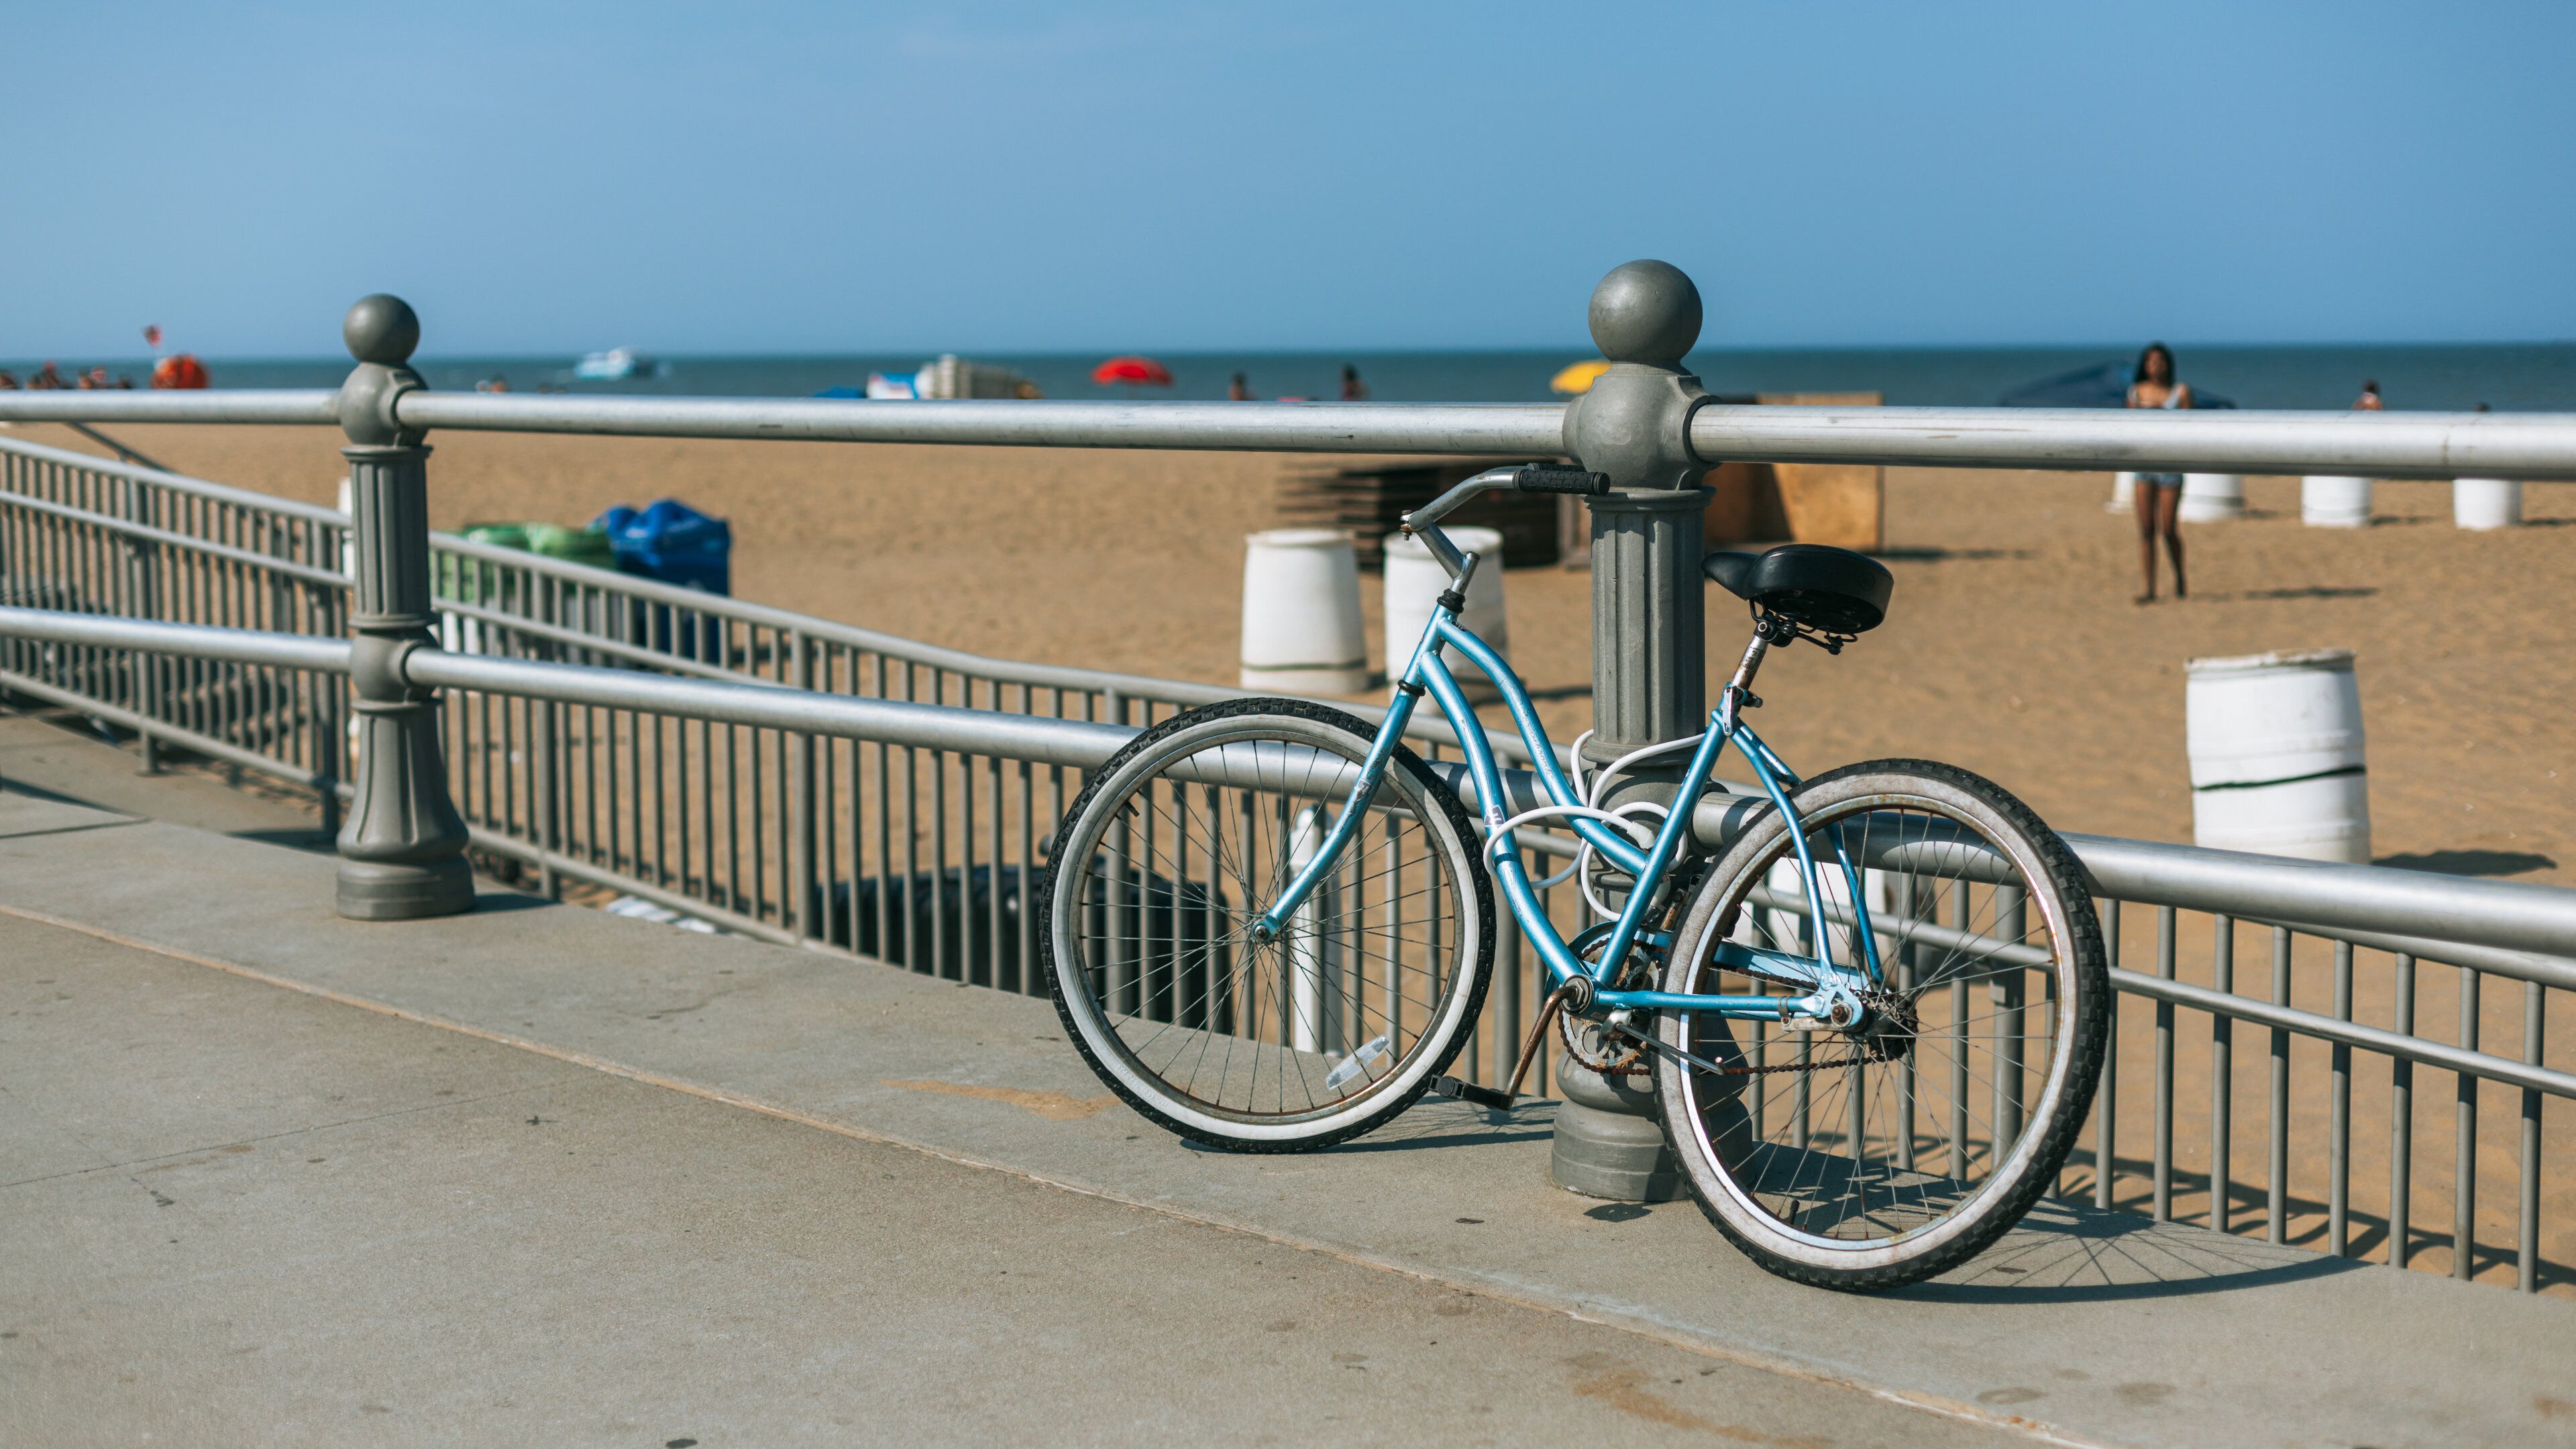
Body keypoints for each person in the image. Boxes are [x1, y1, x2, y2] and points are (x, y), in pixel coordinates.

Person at [2125, 342, 2191, 603]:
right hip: (2144, 465)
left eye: (2161, 361)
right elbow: (2128, 428)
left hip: (2171, 464)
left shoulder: (2180, 392)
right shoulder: (2136, 392)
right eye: (2152, 362)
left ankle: (2179, 576)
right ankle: (2150, 588)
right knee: (2146, 529)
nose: (2156, 367)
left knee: (2168, 528)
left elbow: (2190, 427)